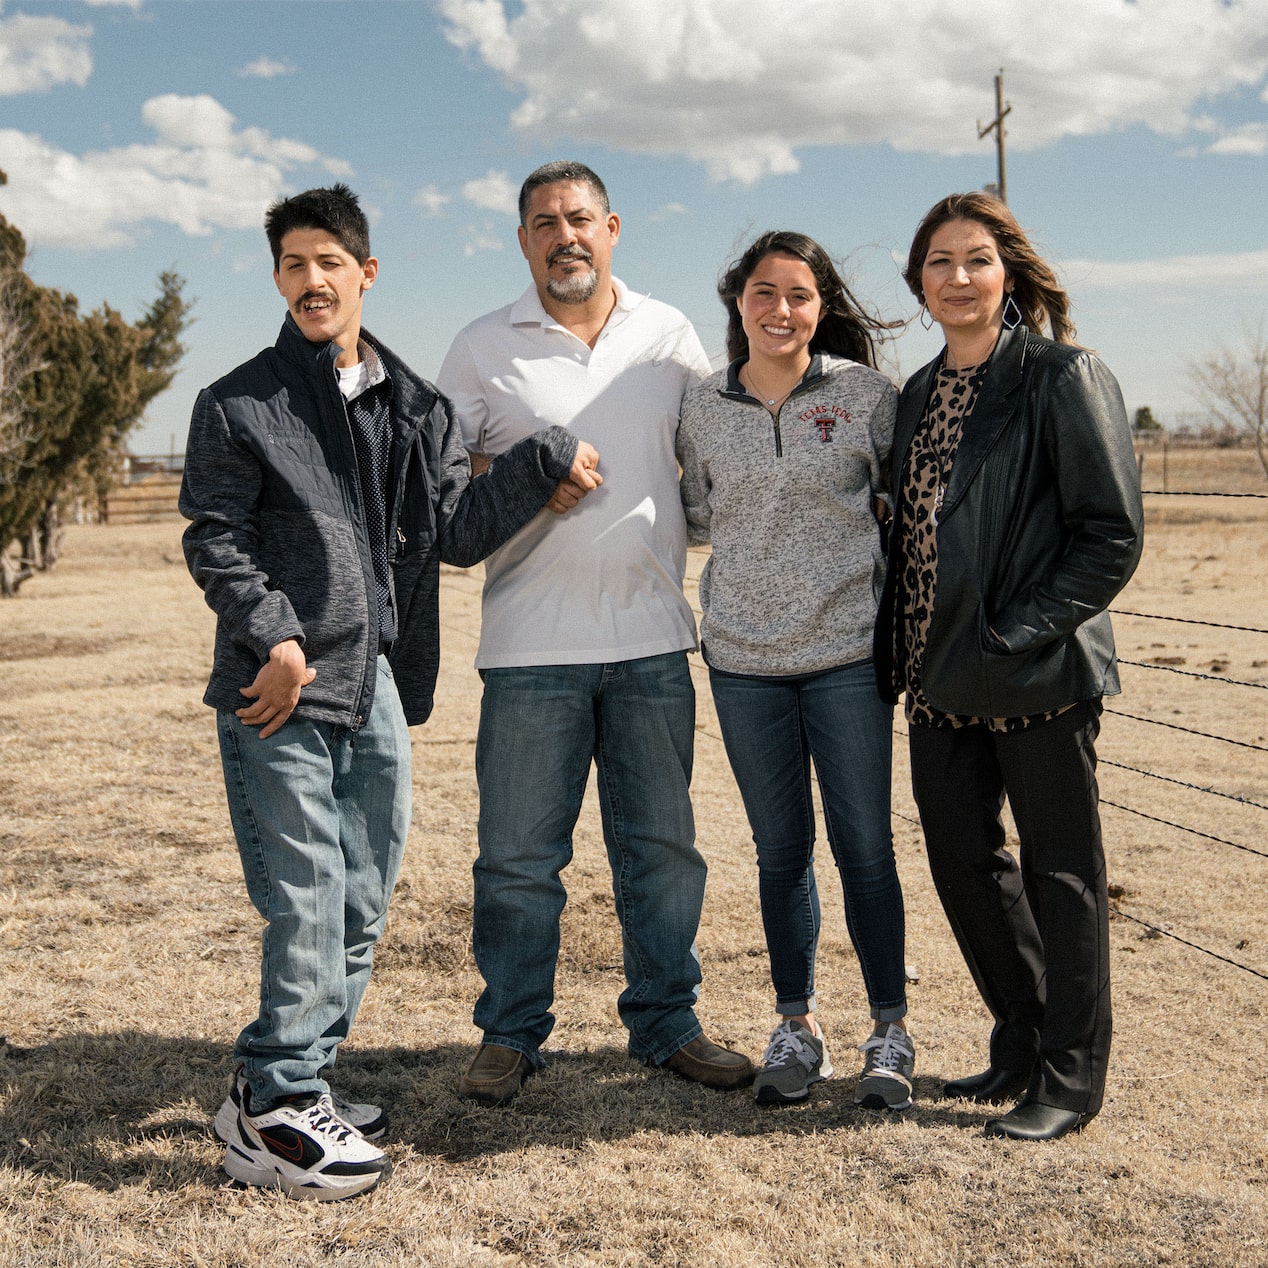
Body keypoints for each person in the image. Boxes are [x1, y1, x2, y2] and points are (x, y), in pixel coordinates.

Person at [180, 183, 599, 1199]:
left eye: (329, 261)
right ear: (277, 279)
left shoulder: (417, 407)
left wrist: (540, 455)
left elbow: (453, 530)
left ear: (365, 273)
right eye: (292, 264)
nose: (311, 279)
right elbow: (214, 536)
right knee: (308, 894)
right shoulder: (239, 404)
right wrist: (275, 636)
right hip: (277, 687)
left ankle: (298, 1073)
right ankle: (276, 1112)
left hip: (371, 688)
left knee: (361, 898)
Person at [436, 160, 754, 1104]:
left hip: (656, 639)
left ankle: (667, 1024)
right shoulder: (482, 345)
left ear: (613, 227)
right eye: (543, 222)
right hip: (531, 650)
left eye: (579, 218)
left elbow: (713, 452)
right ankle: (511, 1033)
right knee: (519, 859)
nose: (563, 235)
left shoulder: (670, 336)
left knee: (661, 851)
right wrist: (526, 467)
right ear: (522, 238)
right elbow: (446, 494)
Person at [874, 192, 1144, 1141]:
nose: (958, 277)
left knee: (1062, 876)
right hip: (937, 678)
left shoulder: (1062, 376)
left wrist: (1015, 629)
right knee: (962, 865)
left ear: (1010, 273)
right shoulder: (917, 393)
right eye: (940, 262)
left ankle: (1070, 1080)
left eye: (976, 259)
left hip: (1035, 673)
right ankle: (1022, 1040)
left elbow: (1109, 535)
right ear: (919, 284)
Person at [677, 231, 915, 1111]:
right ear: (738, 302)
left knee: (865, 851)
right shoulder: (701, 407)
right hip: (743, 663)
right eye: (763, 293)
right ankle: (795, 1026)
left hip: (848, 658)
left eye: (800, 295)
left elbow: (899, 507)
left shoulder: (868, 397)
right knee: (782, 855)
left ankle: (889, 1029)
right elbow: (703, 515)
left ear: (823, 307)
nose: (782, 310)